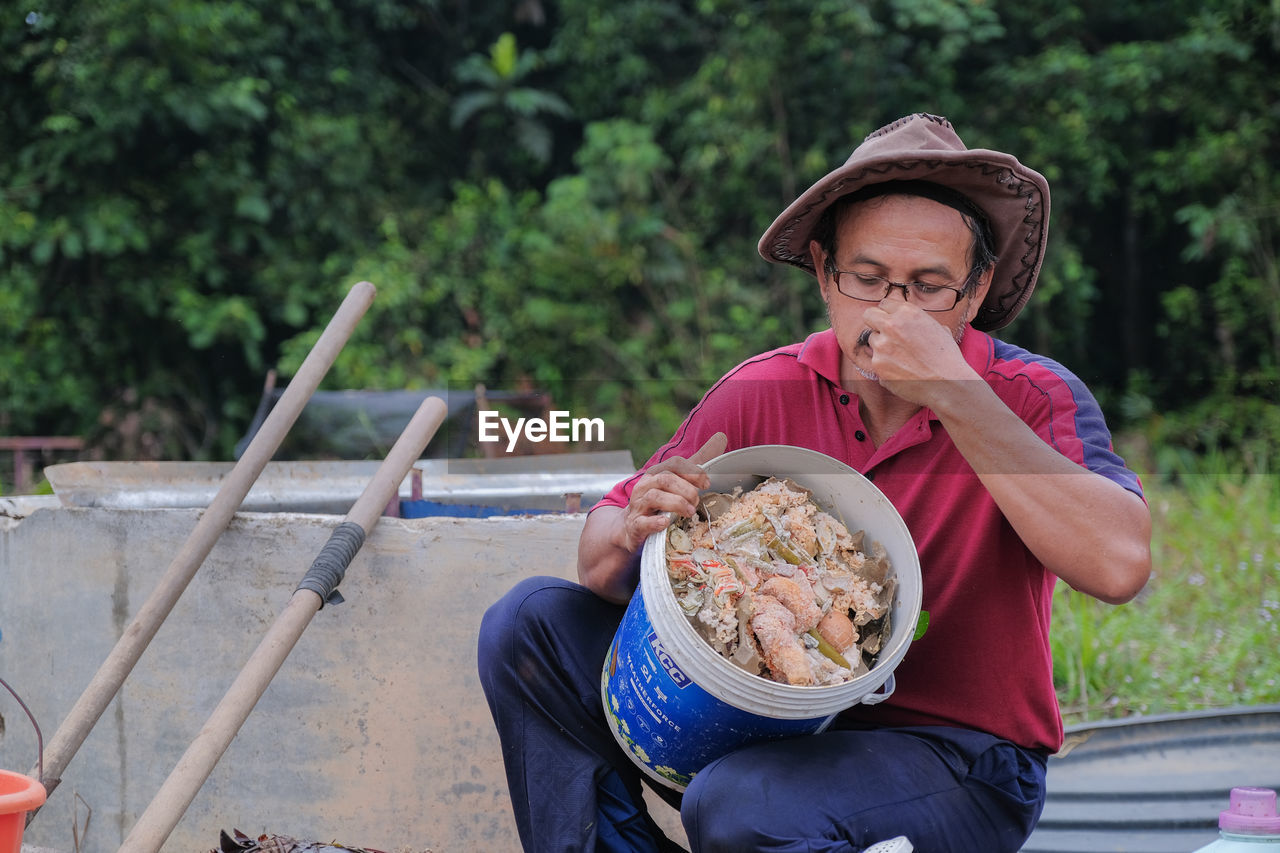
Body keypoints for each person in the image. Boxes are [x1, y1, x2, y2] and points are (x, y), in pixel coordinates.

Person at [477, 113, 1152, 853]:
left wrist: (955, 392)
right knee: (530, 625)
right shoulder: (763, 390)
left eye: (929, 287)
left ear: (977, 287)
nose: (893, 311)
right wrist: (636, 523)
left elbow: (1119, 564)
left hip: (955, 758)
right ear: (826, 272)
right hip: (758, 715)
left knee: (742, 806)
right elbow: (600, 563)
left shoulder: (1027, 396)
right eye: (867, 279)